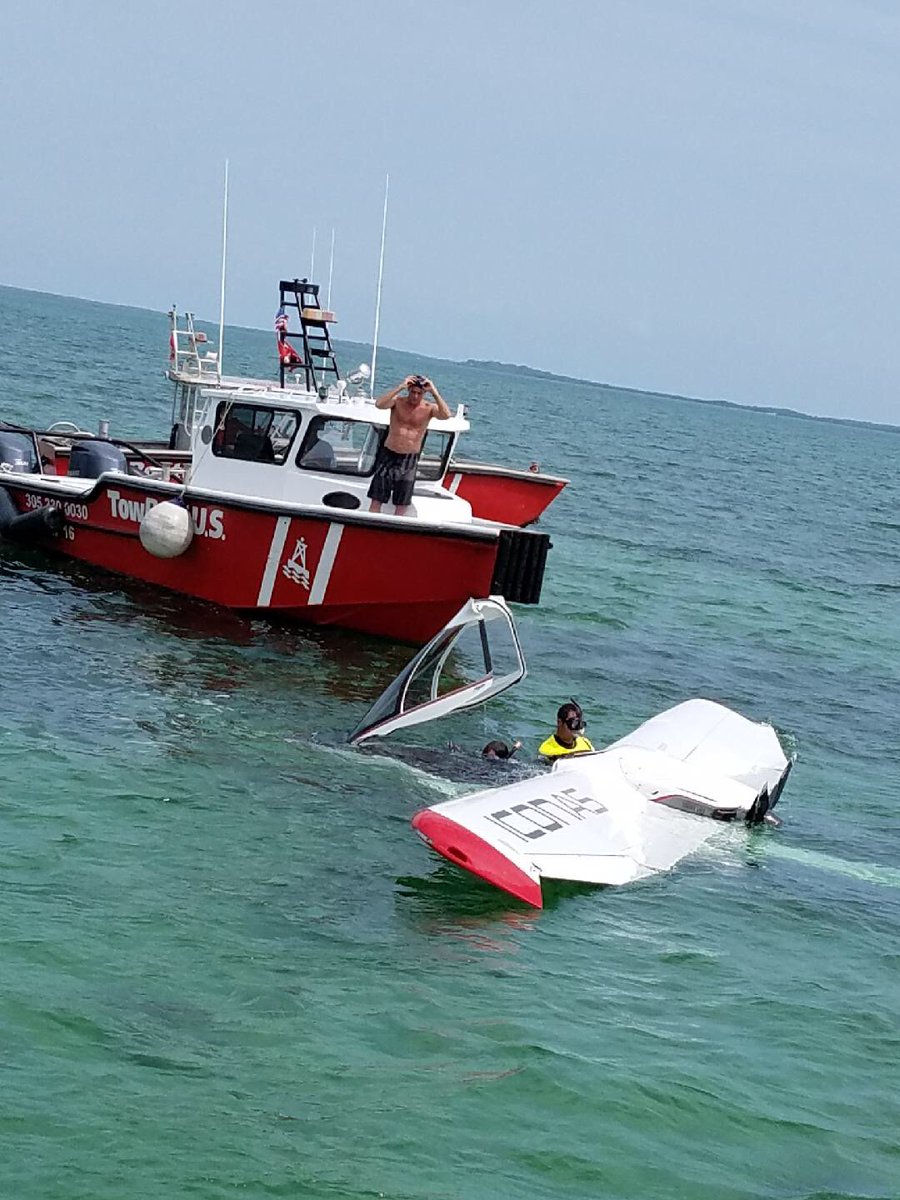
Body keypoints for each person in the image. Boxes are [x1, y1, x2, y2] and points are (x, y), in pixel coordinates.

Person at [368, 374, 451, 515]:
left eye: (419, 393)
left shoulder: (428, 408)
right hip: (388, 454)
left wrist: (434, 392)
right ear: (409, 390)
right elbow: (379, 404)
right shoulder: (398, 402)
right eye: (413, 392)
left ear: (424, 394)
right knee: (377, 499)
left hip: (409, 459)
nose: (415, 396)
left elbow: (446, 415)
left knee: (402, 503)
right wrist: (400, 387)